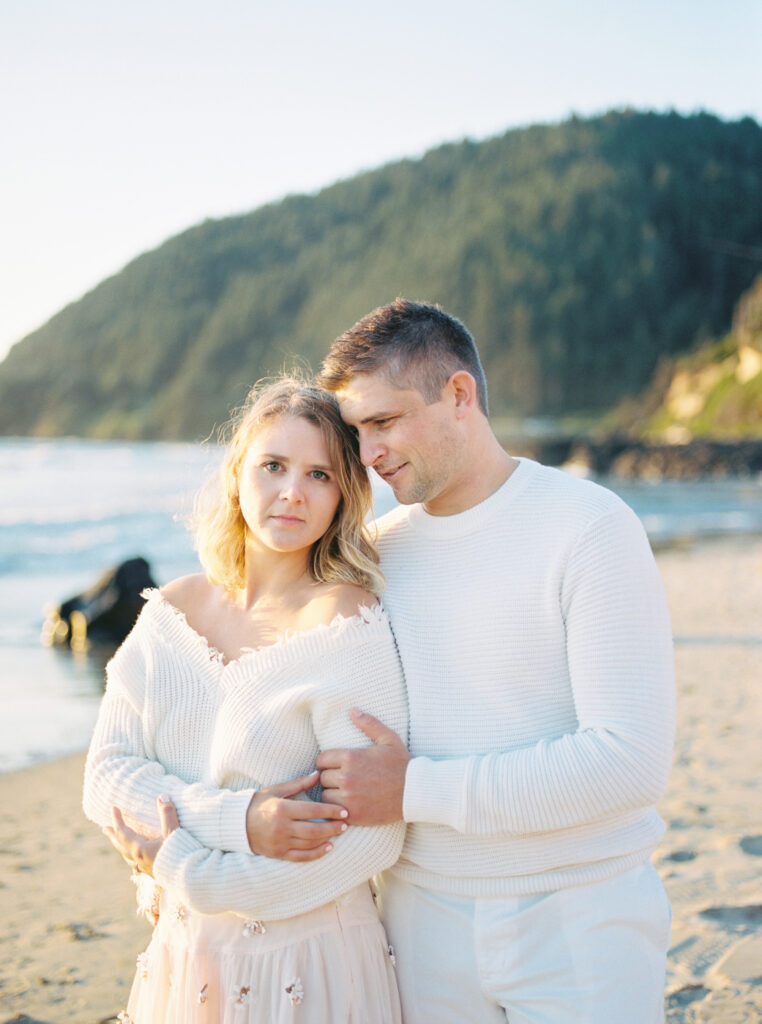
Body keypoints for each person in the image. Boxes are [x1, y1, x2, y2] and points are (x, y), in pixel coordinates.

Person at [308, 298, 676, 1023]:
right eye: (355, 433)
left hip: (579, 916)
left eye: (383, 421)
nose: (369, 452)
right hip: (418, 922)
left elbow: (629, 762)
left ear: (458, 395)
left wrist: (417, 791)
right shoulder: (374, 555)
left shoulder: (591, 527)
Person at [82, 377, 407, 1024]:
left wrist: (187, 868)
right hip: (187, 953)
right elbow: (106, 780)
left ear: (344, 495)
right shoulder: (172, 612)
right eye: (274, 466)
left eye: (320, 474)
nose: (292, 490)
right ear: (238, 475)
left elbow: (370, 839)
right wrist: (243, 820)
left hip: (311, 961)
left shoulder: (348, 625)